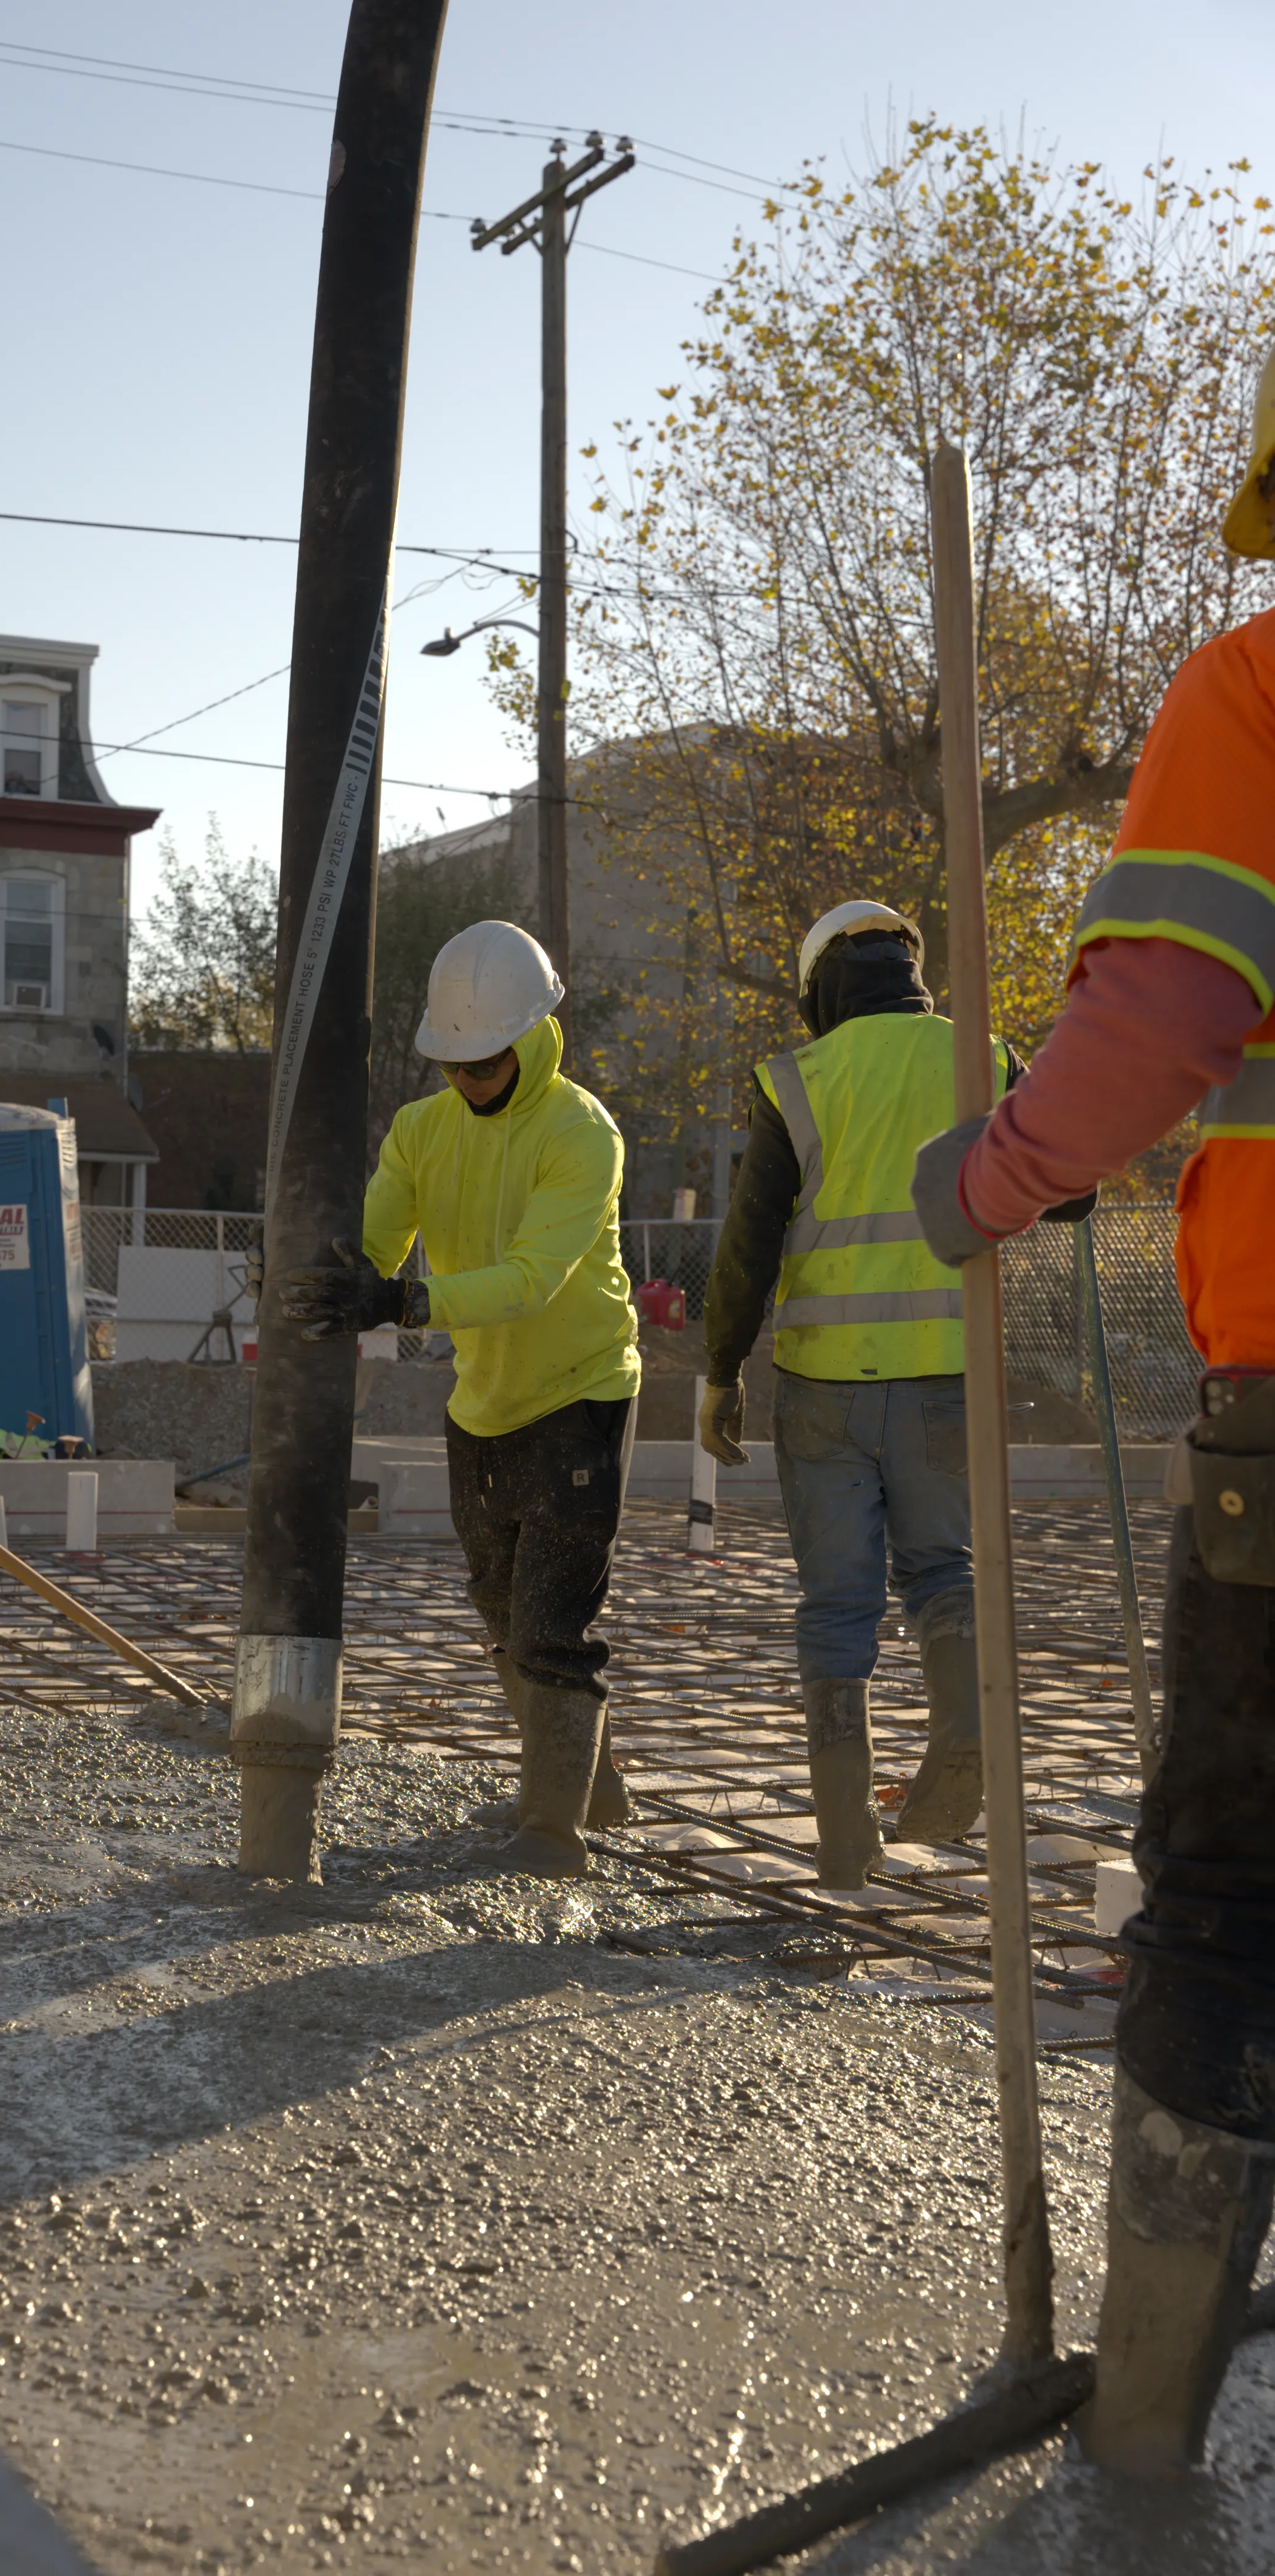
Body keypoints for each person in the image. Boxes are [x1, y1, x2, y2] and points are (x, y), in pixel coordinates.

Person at [910, 352, 1275, 2476]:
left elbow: (1152, 1016)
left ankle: (1134, 2442)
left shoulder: (1251, 688)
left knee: (1227, 1902)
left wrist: (988, 1181)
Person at [699, 902, 1089, 1888]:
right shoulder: (979, 1056)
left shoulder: (793, 1078)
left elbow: (747, 1245)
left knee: (835, 1604)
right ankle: (961, 1729)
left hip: (820, 1387)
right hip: (946, 1379)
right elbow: (1072, 1181)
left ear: (819, 984)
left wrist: (718, 1371)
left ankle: (841, 1837)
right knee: (940, 1573)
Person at [273, 920, 640, 1878]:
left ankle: (553, 1835)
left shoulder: (581, 1133)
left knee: (552, 1623)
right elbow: (376, 1245)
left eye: (485, 1063)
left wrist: (404, 1302)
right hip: (483, 1402)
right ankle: (593, 1787)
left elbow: (533, 1279)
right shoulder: (421, 1131)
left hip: (579, 1394)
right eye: (456, 1065)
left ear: (533, 1036)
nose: (469, 1080)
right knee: (498, 1611)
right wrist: (330, 1279)